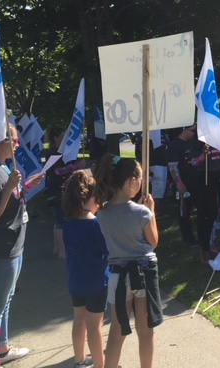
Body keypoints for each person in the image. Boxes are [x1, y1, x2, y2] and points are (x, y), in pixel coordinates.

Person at [0, 124, 44, 368]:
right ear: (1, 141)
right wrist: (7, 189)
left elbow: (10, 199)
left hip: (13, 245)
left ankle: (2, 349)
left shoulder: (2, 167)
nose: (17, 145)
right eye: (14, 141)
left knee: (6, 300)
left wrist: (25, 187)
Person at [94, 154, 162, 368]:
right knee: (145, 329)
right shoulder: (141, 212)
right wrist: (151, 212)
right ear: (132, 181)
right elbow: (153, 241)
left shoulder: (102, 212)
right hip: (144, 271)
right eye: (141, 179)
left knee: (117, 330)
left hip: (118, 274)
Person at [62, 170, 109, 368]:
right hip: (97, 281)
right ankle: (101, 364)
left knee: (79, 319)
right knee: (95, 325)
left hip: (76, 279)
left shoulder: (68, 224)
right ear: (89, 198)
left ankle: (79, 359)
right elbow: (107, 251)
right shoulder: (96, 225)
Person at [45, 127, 81, 259]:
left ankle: (57, 247)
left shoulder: (56, 152)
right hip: (57, 190)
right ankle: (62, 251)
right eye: (62, 137)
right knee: (61, 220)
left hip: (56, 189)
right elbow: (57, 171)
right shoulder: (54, 153)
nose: (65, 139)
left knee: (58, 220)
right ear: (55, 139)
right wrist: (77, 166)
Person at [167, 126, 199, 246]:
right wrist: (179, 184)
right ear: (185, 130)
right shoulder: (174, 145)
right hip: (184, 184)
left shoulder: (194, 143)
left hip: (197, 181)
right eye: (193, 131)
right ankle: (188, 238)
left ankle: (202, 236)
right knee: (185, 213)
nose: (195, 133)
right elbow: (173, 167)